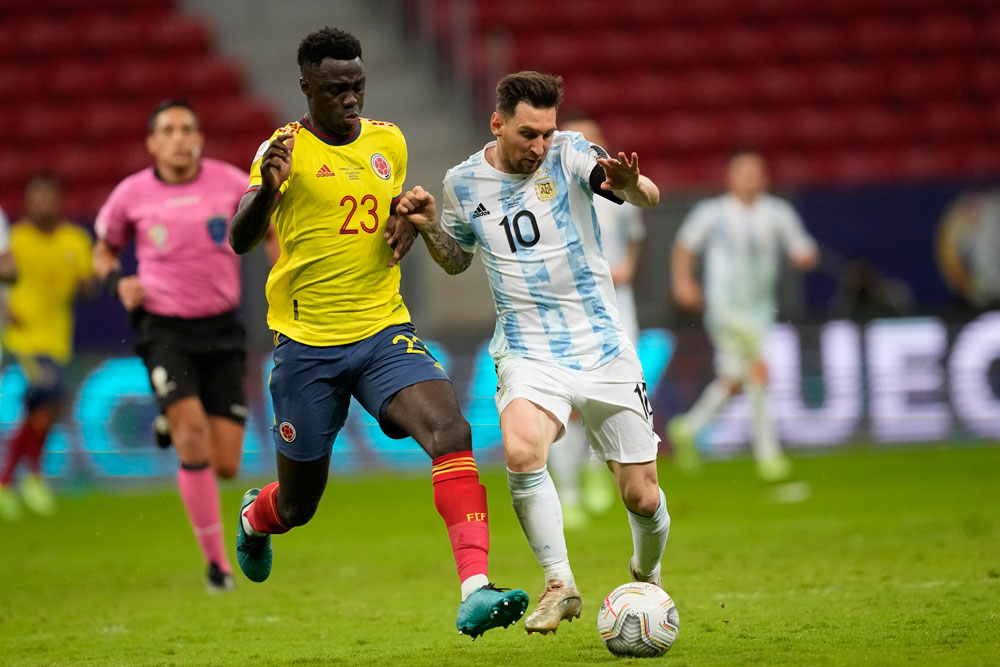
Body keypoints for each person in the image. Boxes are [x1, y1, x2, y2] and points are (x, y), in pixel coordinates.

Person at [228, 27, 528, 639]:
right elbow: (239, 237)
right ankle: (257, 519)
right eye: (336, 89)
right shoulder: (281, 149)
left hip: (382, 333)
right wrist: (268, 192)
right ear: (306, 88)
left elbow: (384, 212)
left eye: (357, 85)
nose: (351, 99)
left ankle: (475, 587)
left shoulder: (388, 140)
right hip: (307, 348)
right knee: (299, 505)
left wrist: (408, 220)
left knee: (451, 429)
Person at [396, 71, 669, 635]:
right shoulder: (462, 182)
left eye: (547, 132)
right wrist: (427, 229)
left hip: (602, 348)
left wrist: (635, 185)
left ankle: (647, 570)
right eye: (528, 135)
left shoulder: (570, 152)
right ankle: (559, 582)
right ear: (497, 124)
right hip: (527, 350)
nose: (539, 146)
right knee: (522, 452)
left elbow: (639, 193)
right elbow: (456, 259)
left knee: (641, 495)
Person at [93, 99, 265, 592]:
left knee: (228, 463)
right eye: (166, 129)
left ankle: (174, 417)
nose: (177, 136)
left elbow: (272, 228)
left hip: (222, 329)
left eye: (186, 127)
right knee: (192, 437)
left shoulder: (232, 183)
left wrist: (284, 273)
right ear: (152, 143)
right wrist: (117, 283)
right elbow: (103, 249)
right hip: (164, 327)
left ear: (199, 137)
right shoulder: (131, 195)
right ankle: (218, 567)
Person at [667, 147, 819, 482]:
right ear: (730, 177)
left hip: (760, 310)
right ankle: (769, 456)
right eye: (743, 172)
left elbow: (801, 248)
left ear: (764, 177)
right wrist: (684, 282)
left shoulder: (778, 213)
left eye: (755, 172)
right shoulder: (714, 212)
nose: (750, 179)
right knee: (759, 373)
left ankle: (689, 428)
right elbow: (684, 245)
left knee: (736, 380)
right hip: (725, 309)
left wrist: (806, 256)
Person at [547, 115, 646, 530]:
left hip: (618, 301)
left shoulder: (616, 187)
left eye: (595, 140)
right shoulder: (551, 190)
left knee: (618, 392)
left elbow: (636, 233)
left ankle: (596, 470)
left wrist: (628, 267)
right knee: (568, 403)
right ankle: (568, 492)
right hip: (569, 306)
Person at [0, 181, 74, 522]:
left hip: (58, 340)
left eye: (49, 195)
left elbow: (86, 279)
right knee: (50, 393)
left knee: (45, 409)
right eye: (36, 197)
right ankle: (27, 478)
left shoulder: (75, 241)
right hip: (24, 338)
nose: (43, 203)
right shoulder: (14, 239)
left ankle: (12, 479)